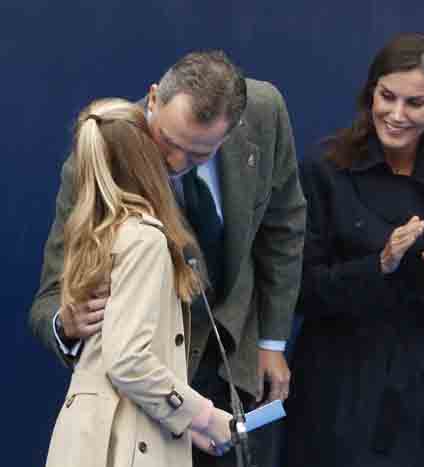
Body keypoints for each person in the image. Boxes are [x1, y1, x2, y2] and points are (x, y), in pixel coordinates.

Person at [30, 51, 306, 467]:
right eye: (169, 144)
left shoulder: (265, 112)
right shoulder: (101, 161)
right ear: (154, 98)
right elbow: (51, 300)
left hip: (236, 373)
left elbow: (284, 227)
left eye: (199, 154)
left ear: (231, 133)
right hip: (152, 404)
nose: (176, 163)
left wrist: (271, 342)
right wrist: (65, 323)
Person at [285, 33, 424, 467]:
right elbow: (300, 292)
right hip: (334, 386)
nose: (397, 114)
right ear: (371, 91)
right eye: (387, 96)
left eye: (415, 103)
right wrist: (380, 265)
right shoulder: (325, 169)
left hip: (413, 391)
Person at [45, 98, 235, 466]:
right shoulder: (144, 238)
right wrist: (207, 417)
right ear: (145, 159)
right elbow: (128, 360)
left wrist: (188, 427)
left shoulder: (98, 234)